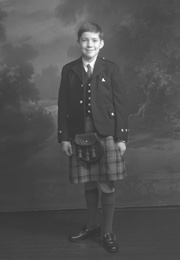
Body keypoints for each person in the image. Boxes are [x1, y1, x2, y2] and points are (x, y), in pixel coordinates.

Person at [57, 22, 128, 253]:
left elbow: (121, 106)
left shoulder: (111, 69)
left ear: (102, 43)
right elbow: (63, 105)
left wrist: (121, 138)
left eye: (94, 40)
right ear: (78, 43)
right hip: (79, 132)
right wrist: (65, 138)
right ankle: (91, 225)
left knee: (107, 184)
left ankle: (107, 231)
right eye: (85, 40)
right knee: (88, 183)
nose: (90, 44)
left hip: (106, 132)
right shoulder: (69, 69)